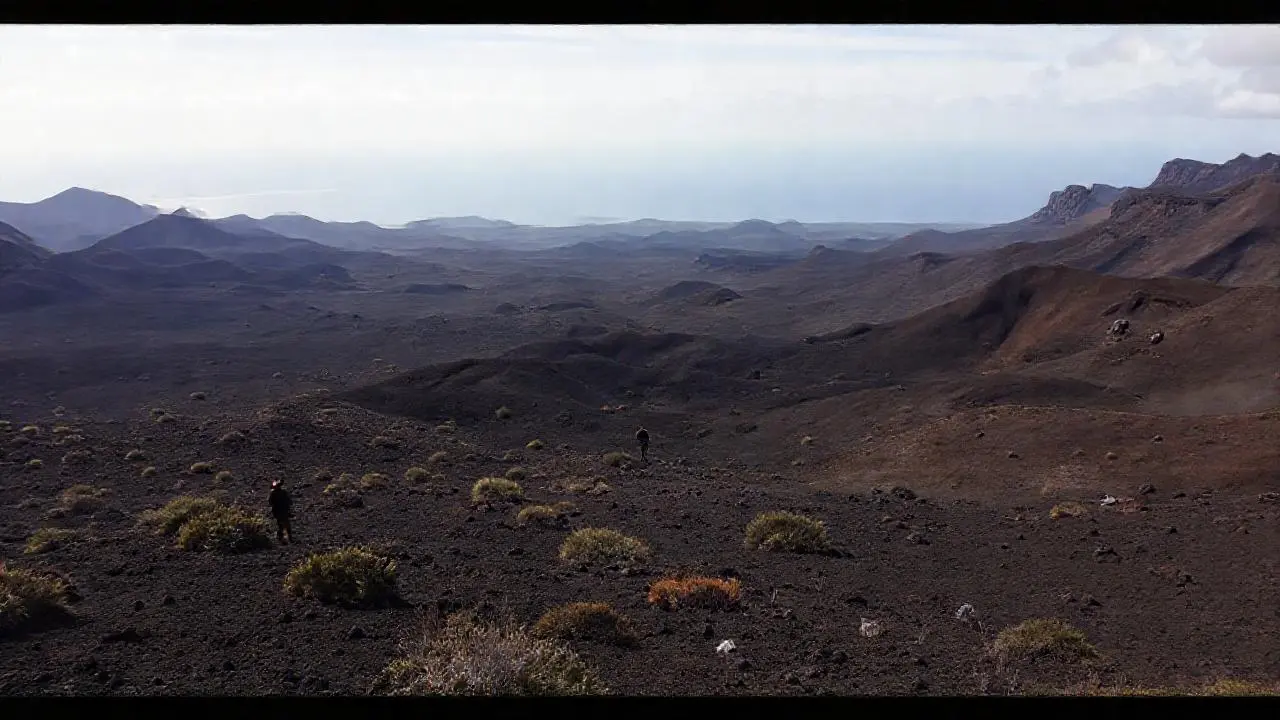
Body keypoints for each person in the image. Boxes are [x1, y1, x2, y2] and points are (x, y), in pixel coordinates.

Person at [268, 479, 294, 544]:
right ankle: (286, 538)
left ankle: (283, 538)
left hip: (279, 511)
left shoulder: (274, 494)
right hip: (282, 510)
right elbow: (289, 501)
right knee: (284, 524)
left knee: (281, 524)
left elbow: (270, 502)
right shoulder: (282, 492)